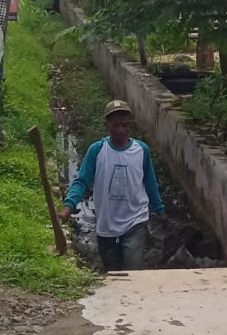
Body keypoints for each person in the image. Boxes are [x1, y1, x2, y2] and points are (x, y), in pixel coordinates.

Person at [59, 99, 165, 272]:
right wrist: (68, 206)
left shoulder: (141, 151)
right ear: (107, 125)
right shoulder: (98, 151)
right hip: (107, 224)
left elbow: (149, 182)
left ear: (130, 124)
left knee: (132, 268)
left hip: (135, 220)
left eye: (125, 125)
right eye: (116, 125)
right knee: (113, 272)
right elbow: (82, 181)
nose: (121, 130)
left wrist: (160, 210)